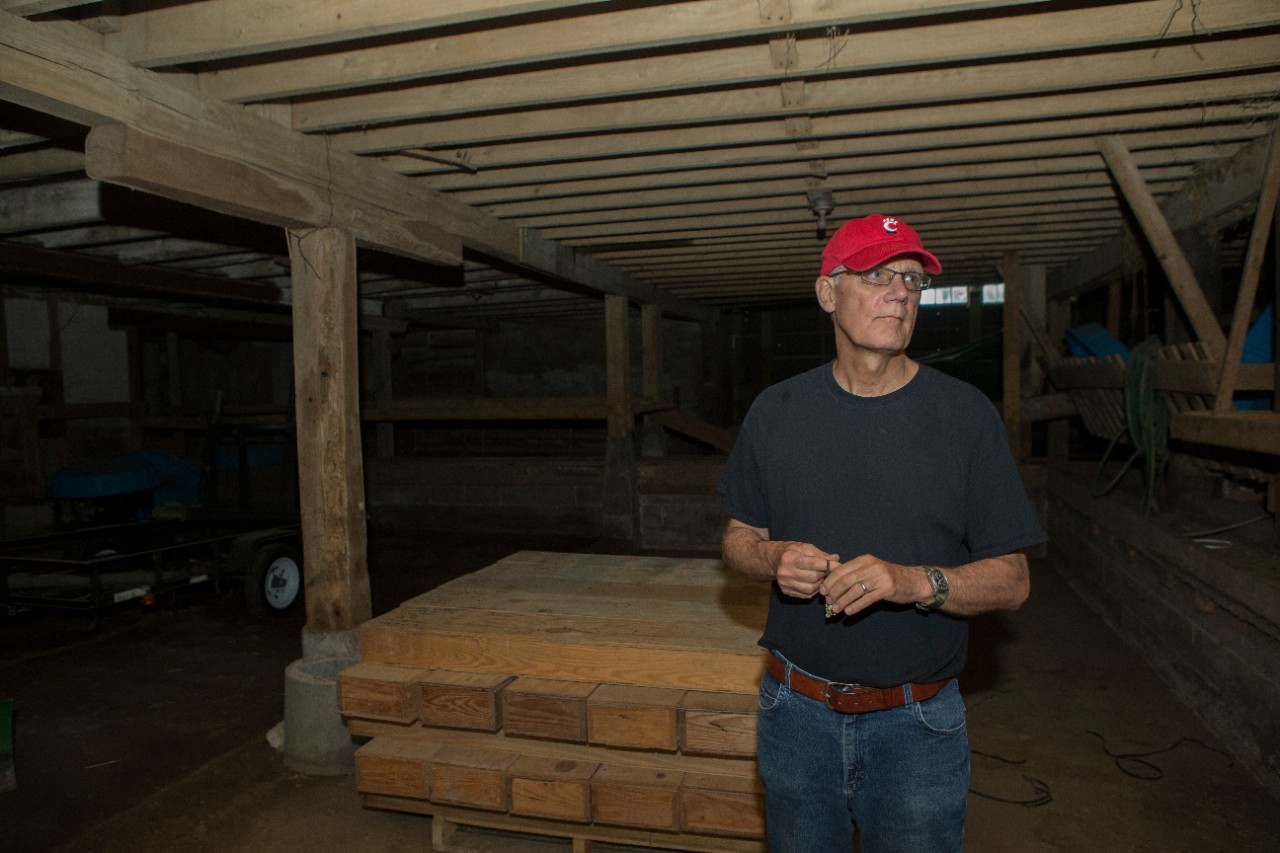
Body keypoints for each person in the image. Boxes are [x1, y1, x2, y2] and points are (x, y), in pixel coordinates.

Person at [717, 214, 1046, 852]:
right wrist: (773, 556)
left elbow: (1013, 581)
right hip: (796, 714)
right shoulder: (777, 412)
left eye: (911, 279)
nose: (899, 291)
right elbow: (737, 540)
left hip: (917, 725)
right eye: (876, 275)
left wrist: (910, 581)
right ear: (827, 293)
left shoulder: (964, 417)